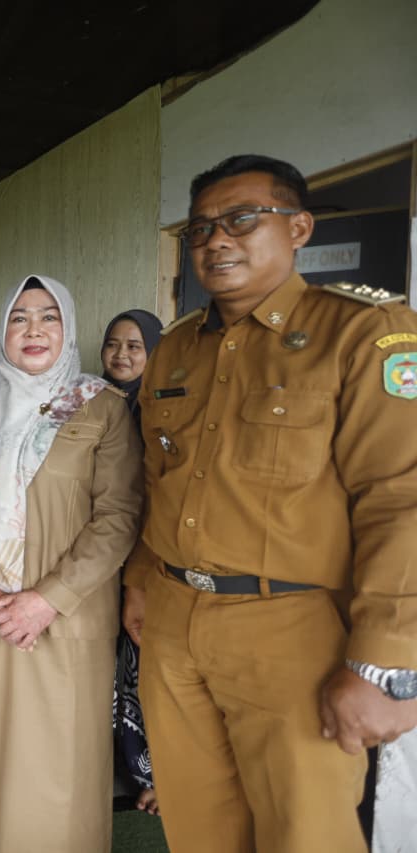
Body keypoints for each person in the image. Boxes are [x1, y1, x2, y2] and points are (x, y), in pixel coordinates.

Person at [122, 154, 417, 853]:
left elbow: (400, 499)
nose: (217, 240)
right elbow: (157, 480)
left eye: (242, 220)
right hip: (171, 624)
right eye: (201, 229)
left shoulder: (364, 332)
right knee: (199, 829)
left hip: (293, 631)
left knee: (304, 833)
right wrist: (139, 581)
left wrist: (382, 661)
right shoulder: (175, 350)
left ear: (299, 228)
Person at [0, 275, 143, 852]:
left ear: (67, 327)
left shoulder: (100, 406)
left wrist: (46, 599)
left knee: (63, 767)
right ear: (3, 329)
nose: (34, 330)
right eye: (19, 318)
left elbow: (119, 514)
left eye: (49, 316)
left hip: (68, 616)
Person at [101, 308, 164, 815]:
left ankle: (152, 775)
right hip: (95, 557)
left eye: (135, 346)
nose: (121, 355)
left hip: (147, 561)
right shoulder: (85, 400)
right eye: (113, 344)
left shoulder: (163, 409)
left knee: (140, 671)